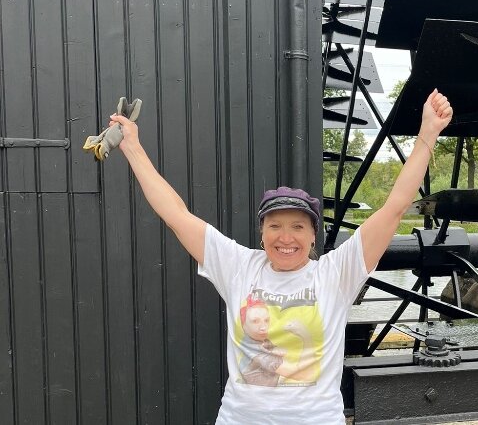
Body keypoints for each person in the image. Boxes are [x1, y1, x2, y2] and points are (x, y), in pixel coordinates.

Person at [110, 89, 453, 424]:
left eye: (298, 228)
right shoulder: (238, 266)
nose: (285, 238)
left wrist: (427, 134)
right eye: (275, 226)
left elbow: (394, 209)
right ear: (262, 233)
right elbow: (176, 214)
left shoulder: (336, 273)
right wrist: (133, 147)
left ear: (313, 235)